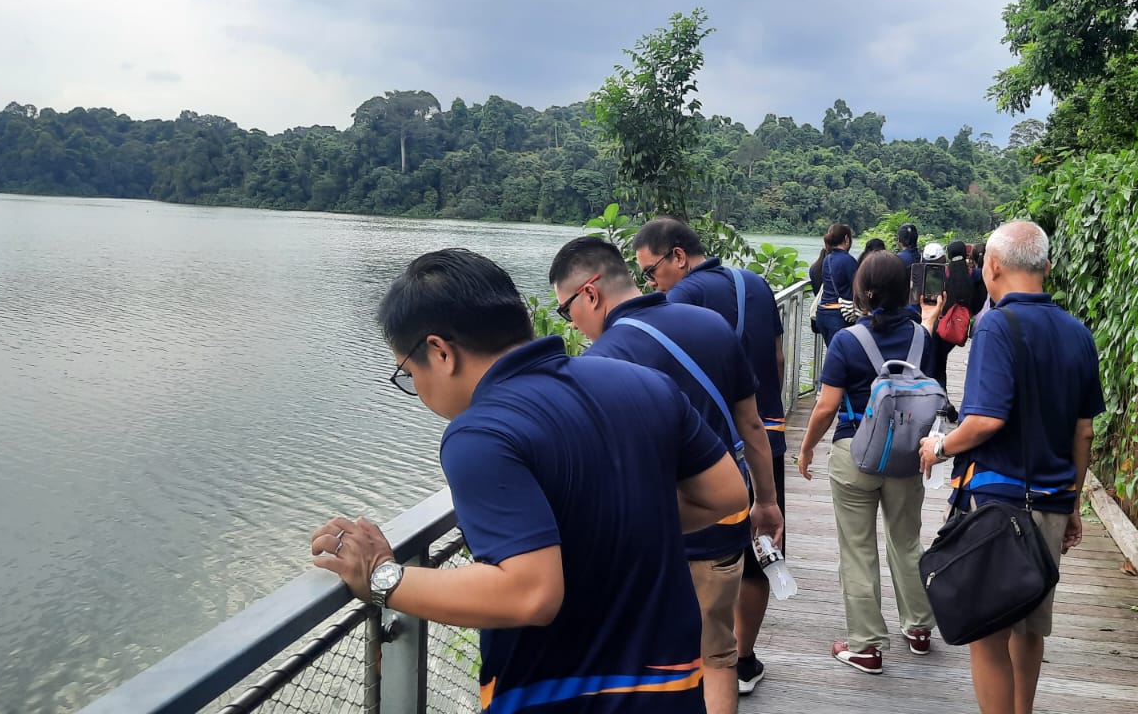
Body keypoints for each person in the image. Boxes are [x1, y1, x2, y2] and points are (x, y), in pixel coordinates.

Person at [309, 248, 748, 714]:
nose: (415, 387)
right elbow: (727, 493)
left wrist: (383, 577)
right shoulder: (643, 382)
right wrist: (604, 528)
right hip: (674, 692)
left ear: (440, 352)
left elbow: (531, 594)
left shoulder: (480, 433)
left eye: (408, 372)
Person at [551, 236, 782, 714]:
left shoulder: (595, 365)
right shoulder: (711, 324)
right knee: (717, 657)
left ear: (590, 294)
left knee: (650, 665)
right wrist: (766, 501)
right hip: (725, 523)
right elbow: (751, 424)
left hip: (656, 538)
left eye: (565, 310)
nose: (570, 322)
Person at [918, 221, 1104, 714]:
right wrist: (1073, 505)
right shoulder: (1078, 333)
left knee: (989, 635)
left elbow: (983, 420)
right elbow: (1083, 432)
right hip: (1051, 503)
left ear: (993, 266)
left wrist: (940, 446)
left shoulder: (997, 324)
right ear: (1046, 267)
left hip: (997, 507)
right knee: (1030, 627)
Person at [629, 218, 787, 696]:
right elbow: (777, 361)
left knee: (699, 560)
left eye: (651, 271)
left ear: (678, 256)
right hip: (765, 438)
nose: (651, 284)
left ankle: (699, 663)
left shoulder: (679, 301)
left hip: (708, 456)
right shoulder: (756, 285)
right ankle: (743, 659)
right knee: (761, 551)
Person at [796, 251, 942, 675]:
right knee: (907, 540)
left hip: (855, 455)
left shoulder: (845, 340)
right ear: (905, 292)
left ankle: (865, 646)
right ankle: (918, 628)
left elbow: (825, 408)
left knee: (858, 550)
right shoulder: (921, 338)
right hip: (906, 457)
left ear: (860, 292)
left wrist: (805, 449)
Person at [926, 240, 978, 390]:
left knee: (937, 364)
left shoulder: (944, 273)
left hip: (942, 324)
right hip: (960, 326)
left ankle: (939, 397)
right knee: (942, 361)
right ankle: (943, 399)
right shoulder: (973, 274)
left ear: (948, 255)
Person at [808, 223, 857, 346]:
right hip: (839, 316)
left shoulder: (827, 260)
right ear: (846, 239)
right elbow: (858, 286)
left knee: (834, 354)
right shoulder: (848, 260)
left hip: (822, 314)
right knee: (842, 357)